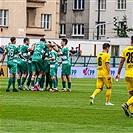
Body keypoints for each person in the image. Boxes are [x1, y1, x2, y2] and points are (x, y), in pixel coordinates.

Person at [115, 36, 133, 118]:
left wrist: (118, 73)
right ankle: (127, 104)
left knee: (131, 94)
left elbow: (121, 62)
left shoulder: (125, 50)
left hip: (127, 75)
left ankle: (132, 112)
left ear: (131, 41)